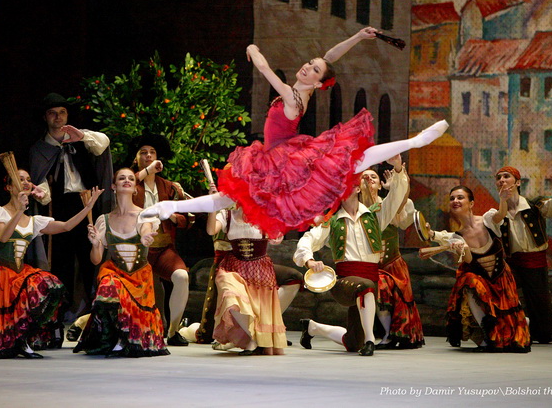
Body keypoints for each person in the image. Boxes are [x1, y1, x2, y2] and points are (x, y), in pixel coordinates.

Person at [142, 29, 448, 237]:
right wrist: (358, 36)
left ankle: (417, 141)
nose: (307, 67)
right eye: (309, 64)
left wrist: (252, 48)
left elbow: (263, 69)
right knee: (230, 197)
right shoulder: (308, 91)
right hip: (280, 154)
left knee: (353, 159)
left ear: (318, 83)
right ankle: (170, 206)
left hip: (285, 156)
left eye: (314, 70)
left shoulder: (293, 95)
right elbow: (331, 56)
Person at [0, 169, 103, 359]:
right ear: (8, 187)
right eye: (20, 179)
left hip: (18, 272)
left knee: (45, 283)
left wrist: (88, 207)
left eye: (28, 180)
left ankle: (23, 341)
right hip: (0, 272)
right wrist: (18, 211)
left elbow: (66, 226)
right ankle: (1, 342)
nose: (25, 182)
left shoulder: (34, 221)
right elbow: (3, 236)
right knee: (4, 316)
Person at [294, 154, 408, 356]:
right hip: (345, 282)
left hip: (369, 278)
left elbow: (395, 199)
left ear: (356, 188)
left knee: (353, 342)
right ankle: (372, 341)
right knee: (366, 287)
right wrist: (309, 260)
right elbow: (309, 238)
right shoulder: (333, 221)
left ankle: (312, 328)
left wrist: (398, 168)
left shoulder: (374, 216)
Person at [29, 92, 113, 319]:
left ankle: (95, 310)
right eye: (53, 113)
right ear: (45, 118)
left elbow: (104, 143)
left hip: (87, 202)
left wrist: (82, 135)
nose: (58, 117)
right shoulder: (39, 149)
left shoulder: (80, 139)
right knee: (61, 260)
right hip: (60, 207)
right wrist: (41, 193)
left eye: (62, 112)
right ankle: (58, 312)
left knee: (91, 257)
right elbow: (42, 182)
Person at [74, 167, 169, 358]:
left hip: (139, 276)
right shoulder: (104, 220)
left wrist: (145, 238)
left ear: (135, 188)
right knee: (109, 285)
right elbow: (96, 259)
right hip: (116, 272)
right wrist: (95, 244)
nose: (127, 180)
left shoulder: (145, 215)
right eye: (122, 178)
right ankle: (115, 336)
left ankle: (122, 336)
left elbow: (145, 230)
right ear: (113, 186)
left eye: (131, 179)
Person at [486, 166, 552, 344]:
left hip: (535, 260)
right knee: (505, 296)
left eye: (506, 176)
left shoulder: (534, 207)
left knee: (539, 300)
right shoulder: (497, 213)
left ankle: (542, 334)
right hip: (512, 262)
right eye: (498, 178)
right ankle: (508, 331)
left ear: (517, 182)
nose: (501, 180)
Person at [430, 185, 530, 352]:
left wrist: (503, 199)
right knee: (468, 280)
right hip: (482, 284)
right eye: (452, 198)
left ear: (471, 203)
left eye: (460, 197)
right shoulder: (457, 236)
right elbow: (468, 259)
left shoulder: (487, 220)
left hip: (501, 278)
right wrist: (461, 248)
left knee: (514, 337)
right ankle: (487, 334)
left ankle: (521, 322)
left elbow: (500, 215)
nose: (455, 201)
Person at [130, 133, 193, 346]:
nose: (148, 156)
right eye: (143, 152)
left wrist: (174, 217)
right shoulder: (129, 182)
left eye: (152, 152)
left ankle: (174, 331)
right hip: (138, 249)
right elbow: (120, 189)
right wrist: (146, 171)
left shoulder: (168, 186)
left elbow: (188, 218)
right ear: (136, 158)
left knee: (182, 277)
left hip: (164, 247)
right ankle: (83, 322)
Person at [205, 204, 287, 355]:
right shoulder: (227, 215)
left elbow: (277, 238)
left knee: (257, 308)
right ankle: (253, 339)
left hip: (259, 269)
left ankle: (257, 341)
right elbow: (211, 230)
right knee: (229, 291)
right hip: (233, 267)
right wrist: (213, 206)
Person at [368, 167, 425, 349]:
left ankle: (389, 335)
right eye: (364, 177)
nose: (369, 179)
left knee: (383, 287)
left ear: (380, 184)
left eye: (373, 176)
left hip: (392, 265)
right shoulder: (356, 210)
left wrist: (397, 187)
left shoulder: (386, 206)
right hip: (368, 266)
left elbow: (399, 204)